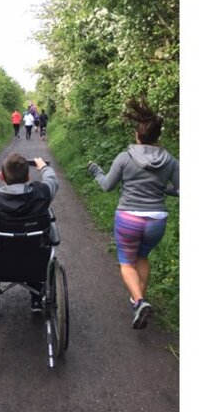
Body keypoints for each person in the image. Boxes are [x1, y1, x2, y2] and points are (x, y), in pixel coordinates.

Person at [86, 97, 179, 329]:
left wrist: (96, 171)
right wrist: (164, 190)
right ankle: (138, 301)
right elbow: (180, 188)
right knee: (142, 257)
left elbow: (107, 185)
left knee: (127, 262)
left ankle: (139, 301)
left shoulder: (125, 157)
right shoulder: (170, 161)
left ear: (137, 134)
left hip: (128, 218)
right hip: (156, 220)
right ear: (157, 137)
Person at [0, 153, 59, 312]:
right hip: (36, 262)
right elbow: (52, 180)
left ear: (1, 176)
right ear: (28, 177)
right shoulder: (43, 193)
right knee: (35, 251)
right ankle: (36, 295)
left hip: (2, 265)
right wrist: (43, 167)